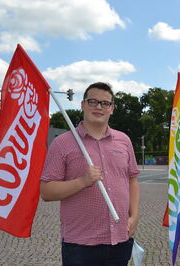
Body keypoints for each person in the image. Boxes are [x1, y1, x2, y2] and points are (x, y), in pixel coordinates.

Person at [40, 82, 140, 266]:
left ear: (112, 109)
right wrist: (83, 181)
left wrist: (134, 216)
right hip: (80, 245)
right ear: (83, 104)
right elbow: (47, 191)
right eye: (93, 101)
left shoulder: (123, 140)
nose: (99, 107)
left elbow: (132, 180)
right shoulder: (62, 143)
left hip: (119, 240)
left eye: (105, 103)